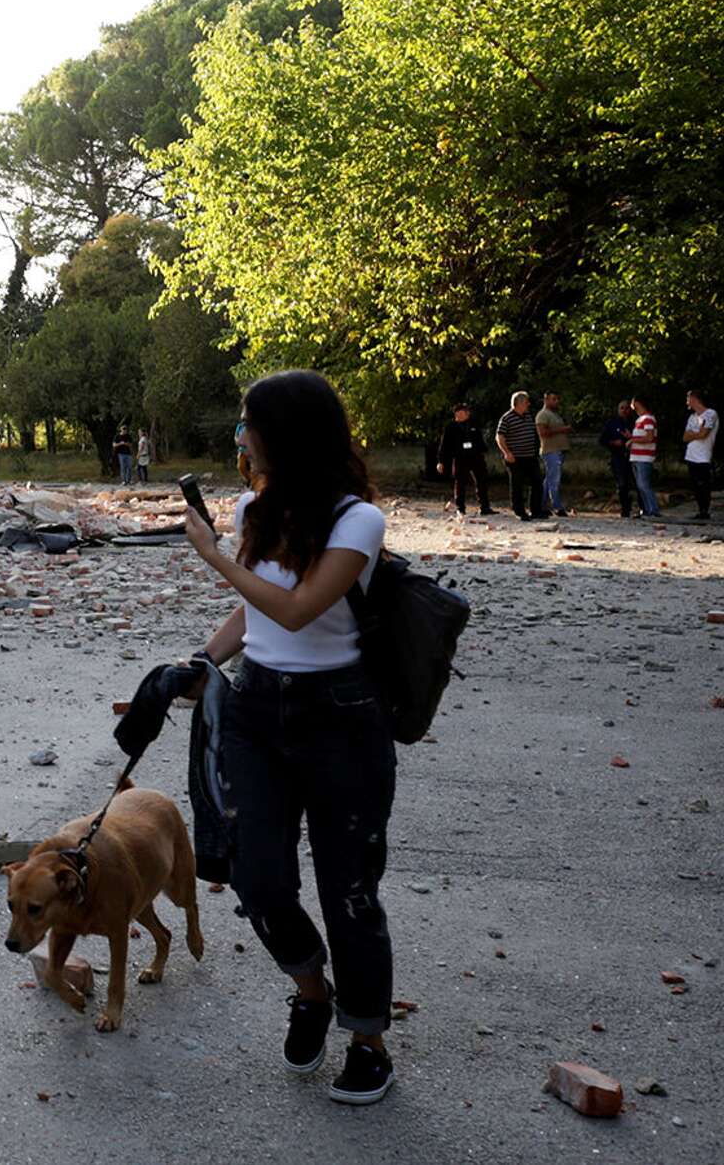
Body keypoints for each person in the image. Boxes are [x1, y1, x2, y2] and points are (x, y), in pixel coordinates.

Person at [181, 369, 398, 1105]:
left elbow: (302, 607)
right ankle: (311, 991)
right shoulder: (254, 508)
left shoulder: (357, 521)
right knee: (259, 878)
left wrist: (213, 556)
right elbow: (257, 617)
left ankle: (367, 1039)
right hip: (257, 709)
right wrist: (201, 661)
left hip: (340, 716)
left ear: (288, 434)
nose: (241, 437)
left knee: (351, 891)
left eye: (250, 423)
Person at [435, 401, 493, 516]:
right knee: (460, 483)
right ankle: (460, 508)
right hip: (460, 458)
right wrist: (441, 461)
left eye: (463, 413)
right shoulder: (451, 427)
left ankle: (485, 507)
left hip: (476, 457)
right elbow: (444, 445)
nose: (460, 416)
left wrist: (483, 451)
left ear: (467, 413)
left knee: (482, 481)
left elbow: (480, 440)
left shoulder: (474, 424)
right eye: (458, 414)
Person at [494, 390, 545, 520]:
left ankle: (536, 510)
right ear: (519, 403)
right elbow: (499, 437)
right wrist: (507, 453)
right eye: (526, 402)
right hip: (515, 457)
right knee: (517, 484)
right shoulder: (506, 418)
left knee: (537, 481)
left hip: (530, 456)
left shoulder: (528, 416)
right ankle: (520, 511)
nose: (528, 404)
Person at [535, 392, 574, 516]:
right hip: (550, 451)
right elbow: (542, 432)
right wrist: (562, 430)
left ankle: (541, 505)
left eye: (557, 399)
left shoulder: (555, 415)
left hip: (559, 450)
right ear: (546, 400)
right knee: (554, 479)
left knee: (549, 479)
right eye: (554, 399)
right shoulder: (542, 415)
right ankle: (557, 506)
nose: (556, 401)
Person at [684, 389, 717, 521]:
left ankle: (705, 510)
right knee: (695, 485)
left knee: (704, 484)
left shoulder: (710, 414)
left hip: (703, 455)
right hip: (691, 455)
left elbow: (704, 434)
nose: (687, 402)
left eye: (688, 398)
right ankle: (700, 510)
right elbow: (685, 437)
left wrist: (694, 434)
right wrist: (697, 433)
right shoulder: (692, 417)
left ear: (694, 398)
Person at [599, 401, 635, 518]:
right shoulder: (612, 423)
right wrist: (613, 442)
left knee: (635, 483)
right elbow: (602, 440)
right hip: (617, 457)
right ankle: (625, 509)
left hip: (633, 456)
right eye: (622, 408)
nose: (624, 410)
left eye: (627, 408)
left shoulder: (634, 422)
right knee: (621, 484)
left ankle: (641, 507)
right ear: (618, 409)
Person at [629, 397, 662, 518]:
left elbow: (649, 437)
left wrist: (632, 440)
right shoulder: (640, 420)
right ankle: (647, 509)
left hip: (644, 457)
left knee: (644, 484)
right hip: (637, 457)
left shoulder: (648, 419)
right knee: (640, 485)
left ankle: (653, 509)